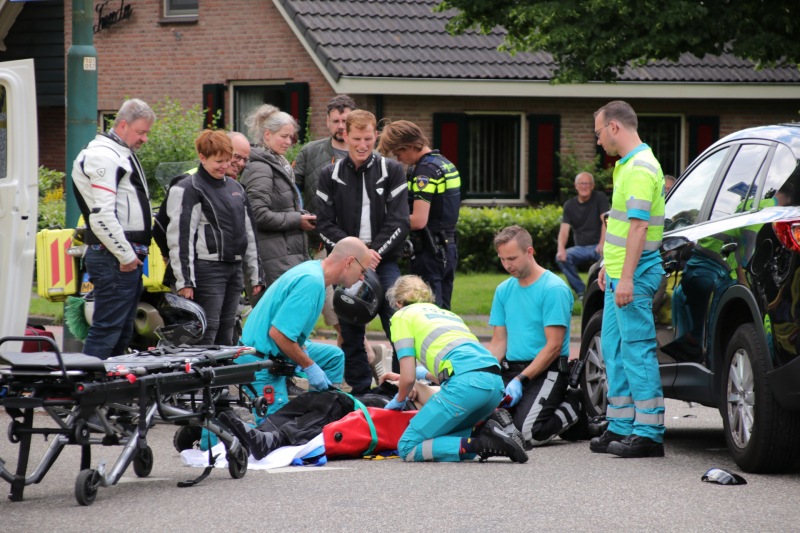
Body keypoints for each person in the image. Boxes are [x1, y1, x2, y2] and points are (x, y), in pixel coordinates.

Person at [381, 275, 527, 463]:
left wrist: (399, 400)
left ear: (398, 303)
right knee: (451, 439)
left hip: (466, 386)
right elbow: (455, 367)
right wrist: (418, 374)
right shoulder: (448, 314)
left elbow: (408, 379)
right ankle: (491, 435)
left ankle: (481, 442)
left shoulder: (401, 316)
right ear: (429, 299)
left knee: (408, 446)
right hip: (494, 384)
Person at [316, 110, 410, 395]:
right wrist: (354, 255)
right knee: (350, 329)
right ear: (345, 136)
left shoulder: (392, 169)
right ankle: (360, 393)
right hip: (346, 264)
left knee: (399, 324)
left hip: (385, 260)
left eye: (368, 139)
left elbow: (400, 222)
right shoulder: (329, 173)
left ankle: (403, 386)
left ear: (375, 137)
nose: (362, 144)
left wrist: (372, 253)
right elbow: (323, 225)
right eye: (356, 138)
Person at [592, 100, 666, 458]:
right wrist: (610, 265)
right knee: (614, 349)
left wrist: (627, 278)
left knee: (636, 350)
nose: (598, 140)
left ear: (614, 128)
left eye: (599, 132)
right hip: (621, 272)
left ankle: (649, 431)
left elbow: (638, 227)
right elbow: (622, 227)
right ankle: (620, 424)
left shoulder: (638, 168)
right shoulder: (627, 165)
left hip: (633, 275)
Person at [235, 237, 371, 416]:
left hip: (271, 350)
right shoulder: (312, 282)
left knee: (334, 356)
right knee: (275, 432)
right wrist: (309, 365)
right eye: (362, 271)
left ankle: (318, 415)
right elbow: (278, 334)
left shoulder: (315, 272)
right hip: (261, 361)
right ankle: (309, 421)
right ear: (350, 262)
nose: (362, 277)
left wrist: (303, 350)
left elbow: (291, 329)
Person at [72, 99, 155, 359]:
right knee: (108, 330)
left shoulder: (116, 153)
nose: (145, 139)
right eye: (141, 132)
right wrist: (126, 256)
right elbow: (102, 214)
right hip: (115, 257)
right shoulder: (104, 155)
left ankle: (106, 392)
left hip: (119, 256)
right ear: (122, 125)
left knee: (119, 331)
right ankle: (86, 390)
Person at [165, 129, 263, 345]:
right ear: (202, 157)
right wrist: (185, 281)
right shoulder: (188, 188)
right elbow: (180, 238)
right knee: (206, 332)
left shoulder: (236, 187)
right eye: (219, 161)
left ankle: (222, 378)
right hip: (207, 271)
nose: (225, 166)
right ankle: (202, 378)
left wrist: (256, 275)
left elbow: (249, 234)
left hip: (234, 269)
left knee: (227, 332)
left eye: (228, 160)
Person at [488, 226, 582, 448]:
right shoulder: (503, 290)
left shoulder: (553, 289)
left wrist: (521, 380)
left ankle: (575, 404)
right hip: (511, 370)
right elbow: (498, 342)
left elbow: (554, 346)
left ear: (529, 252)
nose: (507, 265)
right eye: (502, 259)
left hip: (545, 372)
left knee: (529, 434)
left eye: (512, 258)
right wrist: (486, 373)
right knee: (477, 418)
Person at [378, 120, 460, 310]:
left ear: (411, 147)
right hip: (448, 249)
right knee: (443, 312)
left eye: (399, 153)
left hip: (429, 253)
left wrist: (386, 224)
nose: (398, 160)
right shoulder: (445, 164)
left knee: (425, 312)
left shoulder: (424, 172)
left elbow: (418, 220)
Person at [294, 95, 355, 344]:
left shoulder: (366, 152)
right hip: (318, 244)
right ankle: (364, 360)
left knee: (350, 311)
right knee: (332, 307)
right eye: (336, 121)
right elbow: (291, 188)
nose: (341, 126)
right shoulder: (310, 151)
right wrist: (297, 216)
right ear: (327, 122)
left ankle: (351, 366)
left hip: (355, 245)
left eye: (346, 120)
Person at [240, 105, 314, 301]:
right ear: (267, 134)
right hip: (272, 262)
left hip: (282, 257)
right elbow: (257, 214)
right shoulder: (261, 168)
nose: (289, 142)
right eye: (284, 136)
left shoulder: (277, 163)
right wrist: (297, 220)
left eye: (291, 137)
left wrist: (301, 215)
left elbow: (279, 207)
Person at [555, 172, 609, 299]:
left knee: (607, 258)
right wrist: (560, 249)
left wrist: (602, 243)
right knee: (561, 257)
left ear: (592, 185)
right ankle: (581, 292)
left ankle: (601, 290)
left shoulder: (600, 198)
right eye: (581, 183)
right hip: (581, 248)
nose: (584, 186)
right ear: (576, 186)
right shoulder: (569, 205)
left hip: (599, 246)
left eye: (587, 183)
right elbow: (564, 230)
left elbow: (605, 221)